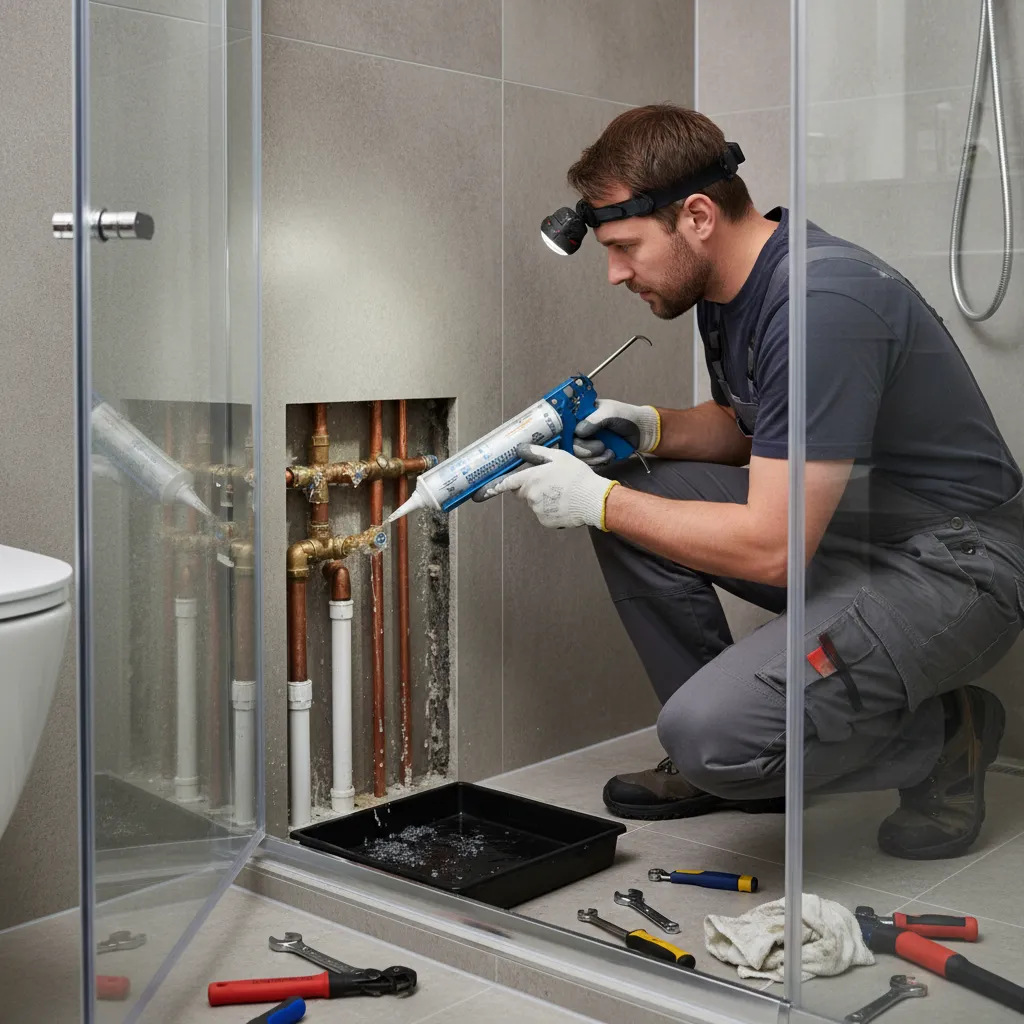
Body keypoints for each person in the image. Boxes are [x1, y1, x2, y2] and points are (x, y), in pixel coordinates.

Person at [484, 105, 1024, 861]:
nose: (615, 273)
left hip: (955, 566)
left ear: (697, 216)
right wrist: (649, 426)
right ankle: (741, 751)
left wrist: (597, 499)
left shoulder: (819, 305)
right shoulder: (732, 290)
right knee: (645, 489)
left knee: (626, 528)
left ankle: (936, 739)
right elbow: (755, 430)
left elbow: (774, 549)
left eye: (625, 248)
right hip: (859, 527)